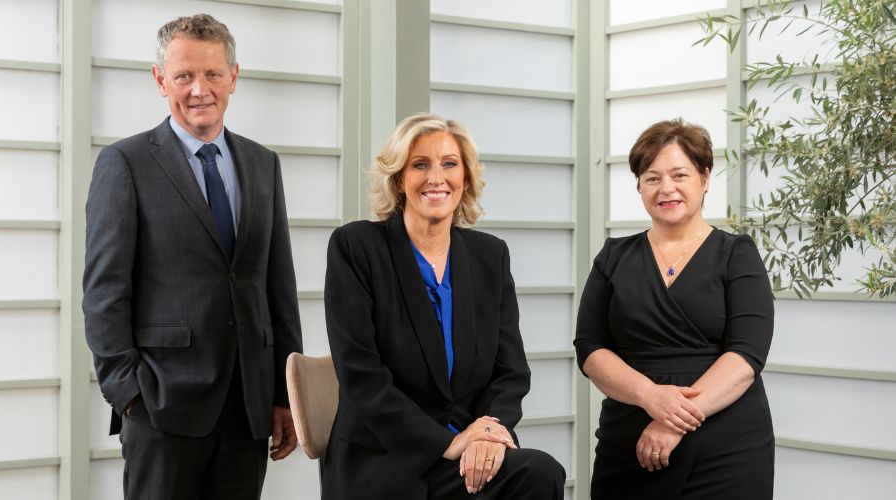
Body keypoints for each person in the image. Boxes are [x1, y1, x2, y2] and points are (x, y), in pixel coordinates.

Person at [83, 14, 302, 500]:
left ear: (234, 77)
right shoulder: (125, 163)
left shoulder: (262, 164)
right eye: (184, 76)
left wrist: (285, 395)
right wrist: (129, 392)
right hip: (162, 405)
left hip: (248, 407)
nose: (199, 89)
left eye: (213, 74)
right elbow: (104, 291)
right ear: (161, 80)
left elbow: (277, 286)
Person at [321, 113, 565, 499]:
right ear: (399, 178)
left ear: (465, 177)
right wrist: (446, 444)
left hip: (467, 455)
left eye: (449, 164)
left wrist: (488, 432)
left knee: (540, 472)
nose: (436, 178)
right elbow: (361, 375)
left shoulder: (489, 256)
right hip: (385, 457)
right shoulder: (357, 248)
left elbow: (510, 371)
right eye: (420, 165)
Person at [574, 118, 775, 499]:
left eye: (679, 174)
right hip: (630, 441)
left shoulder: (738, 254)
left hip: (726, 444)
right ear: (639, 186)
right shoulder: (613, 257)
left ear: (705, 177)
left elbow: (747, 355)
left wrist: (673, 421)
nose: (667, 188)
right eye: (652, 178)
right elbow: (590, 348)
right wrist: (651, 397)